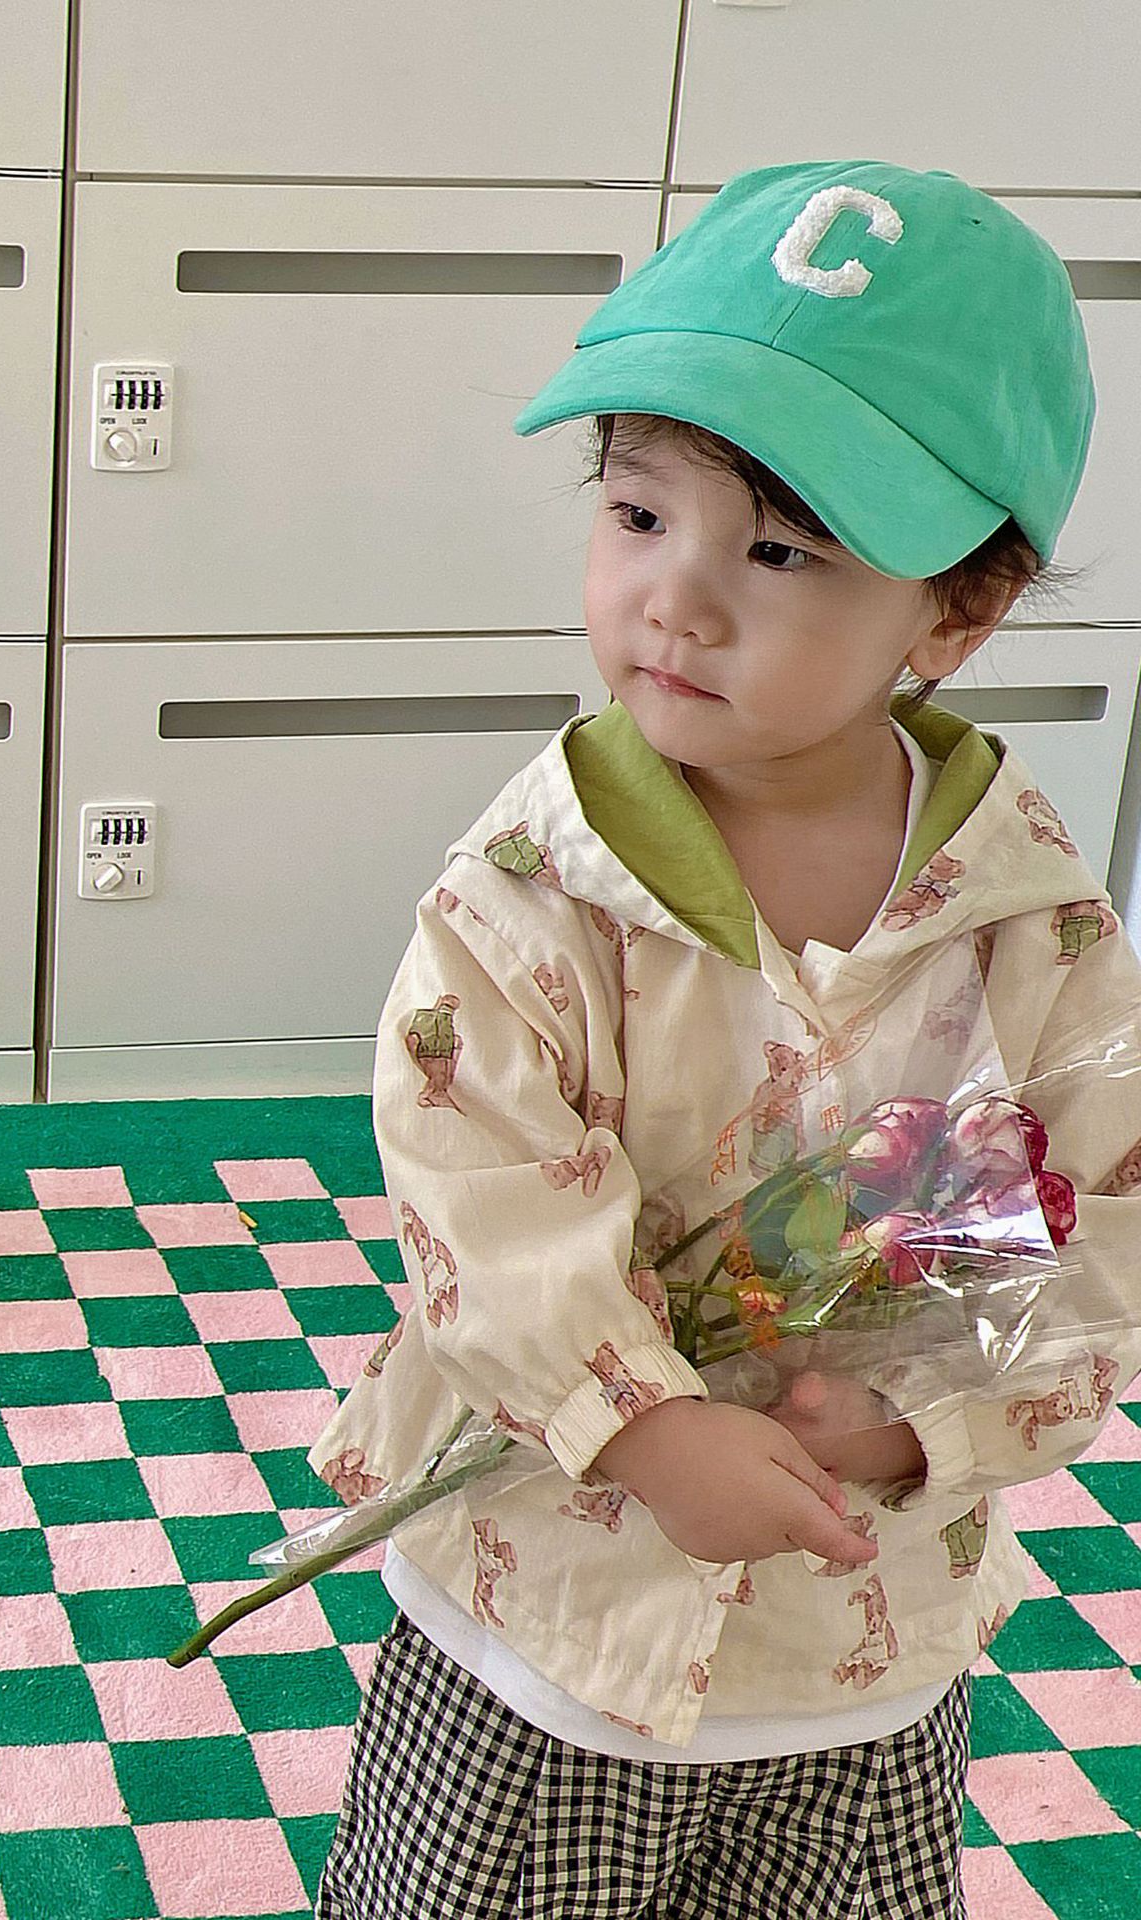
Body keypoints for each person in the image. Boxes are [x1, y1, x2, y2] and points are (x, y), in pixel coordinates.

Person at [311, 159, 1141, 1919]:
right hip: (552, 1635)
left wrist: (930, 1426)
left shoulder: (1026, 908)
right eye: (636, 512)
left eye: (778, 550)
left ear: (956, 613)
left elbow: (1109, 1204)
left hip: (862, 1641)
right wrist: (634, 1422)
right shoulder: (535, 882)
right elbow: (476, 1188)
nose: (676, 599)